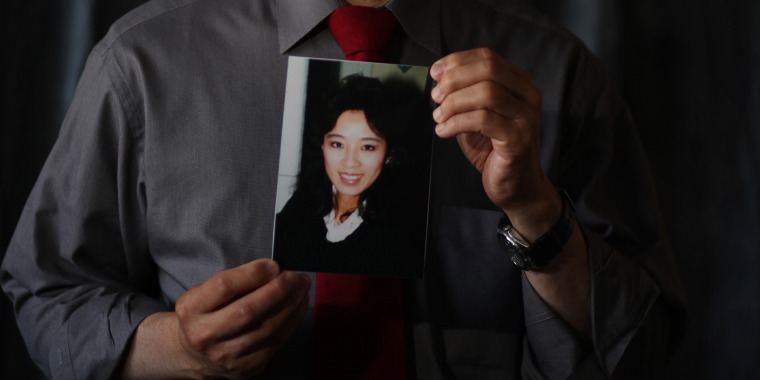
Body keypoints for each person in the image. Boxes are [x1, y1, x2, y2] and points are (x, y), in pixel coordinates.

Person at [0, 0, 686, 379]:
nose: (350, 160)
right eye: (336, 144)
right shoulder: (142, 60)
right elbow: (47, 288)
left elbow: (645, 347)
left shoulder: (555, 69)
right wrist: (174, 350)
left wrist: (537, 210)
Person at [274, 73, 431, 277]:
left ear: (388, 153)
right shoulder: (302, 203)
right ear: (323, 145)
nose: (350, 162)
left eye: (367, 147)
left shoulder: (400, 237)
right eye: (338, 144)